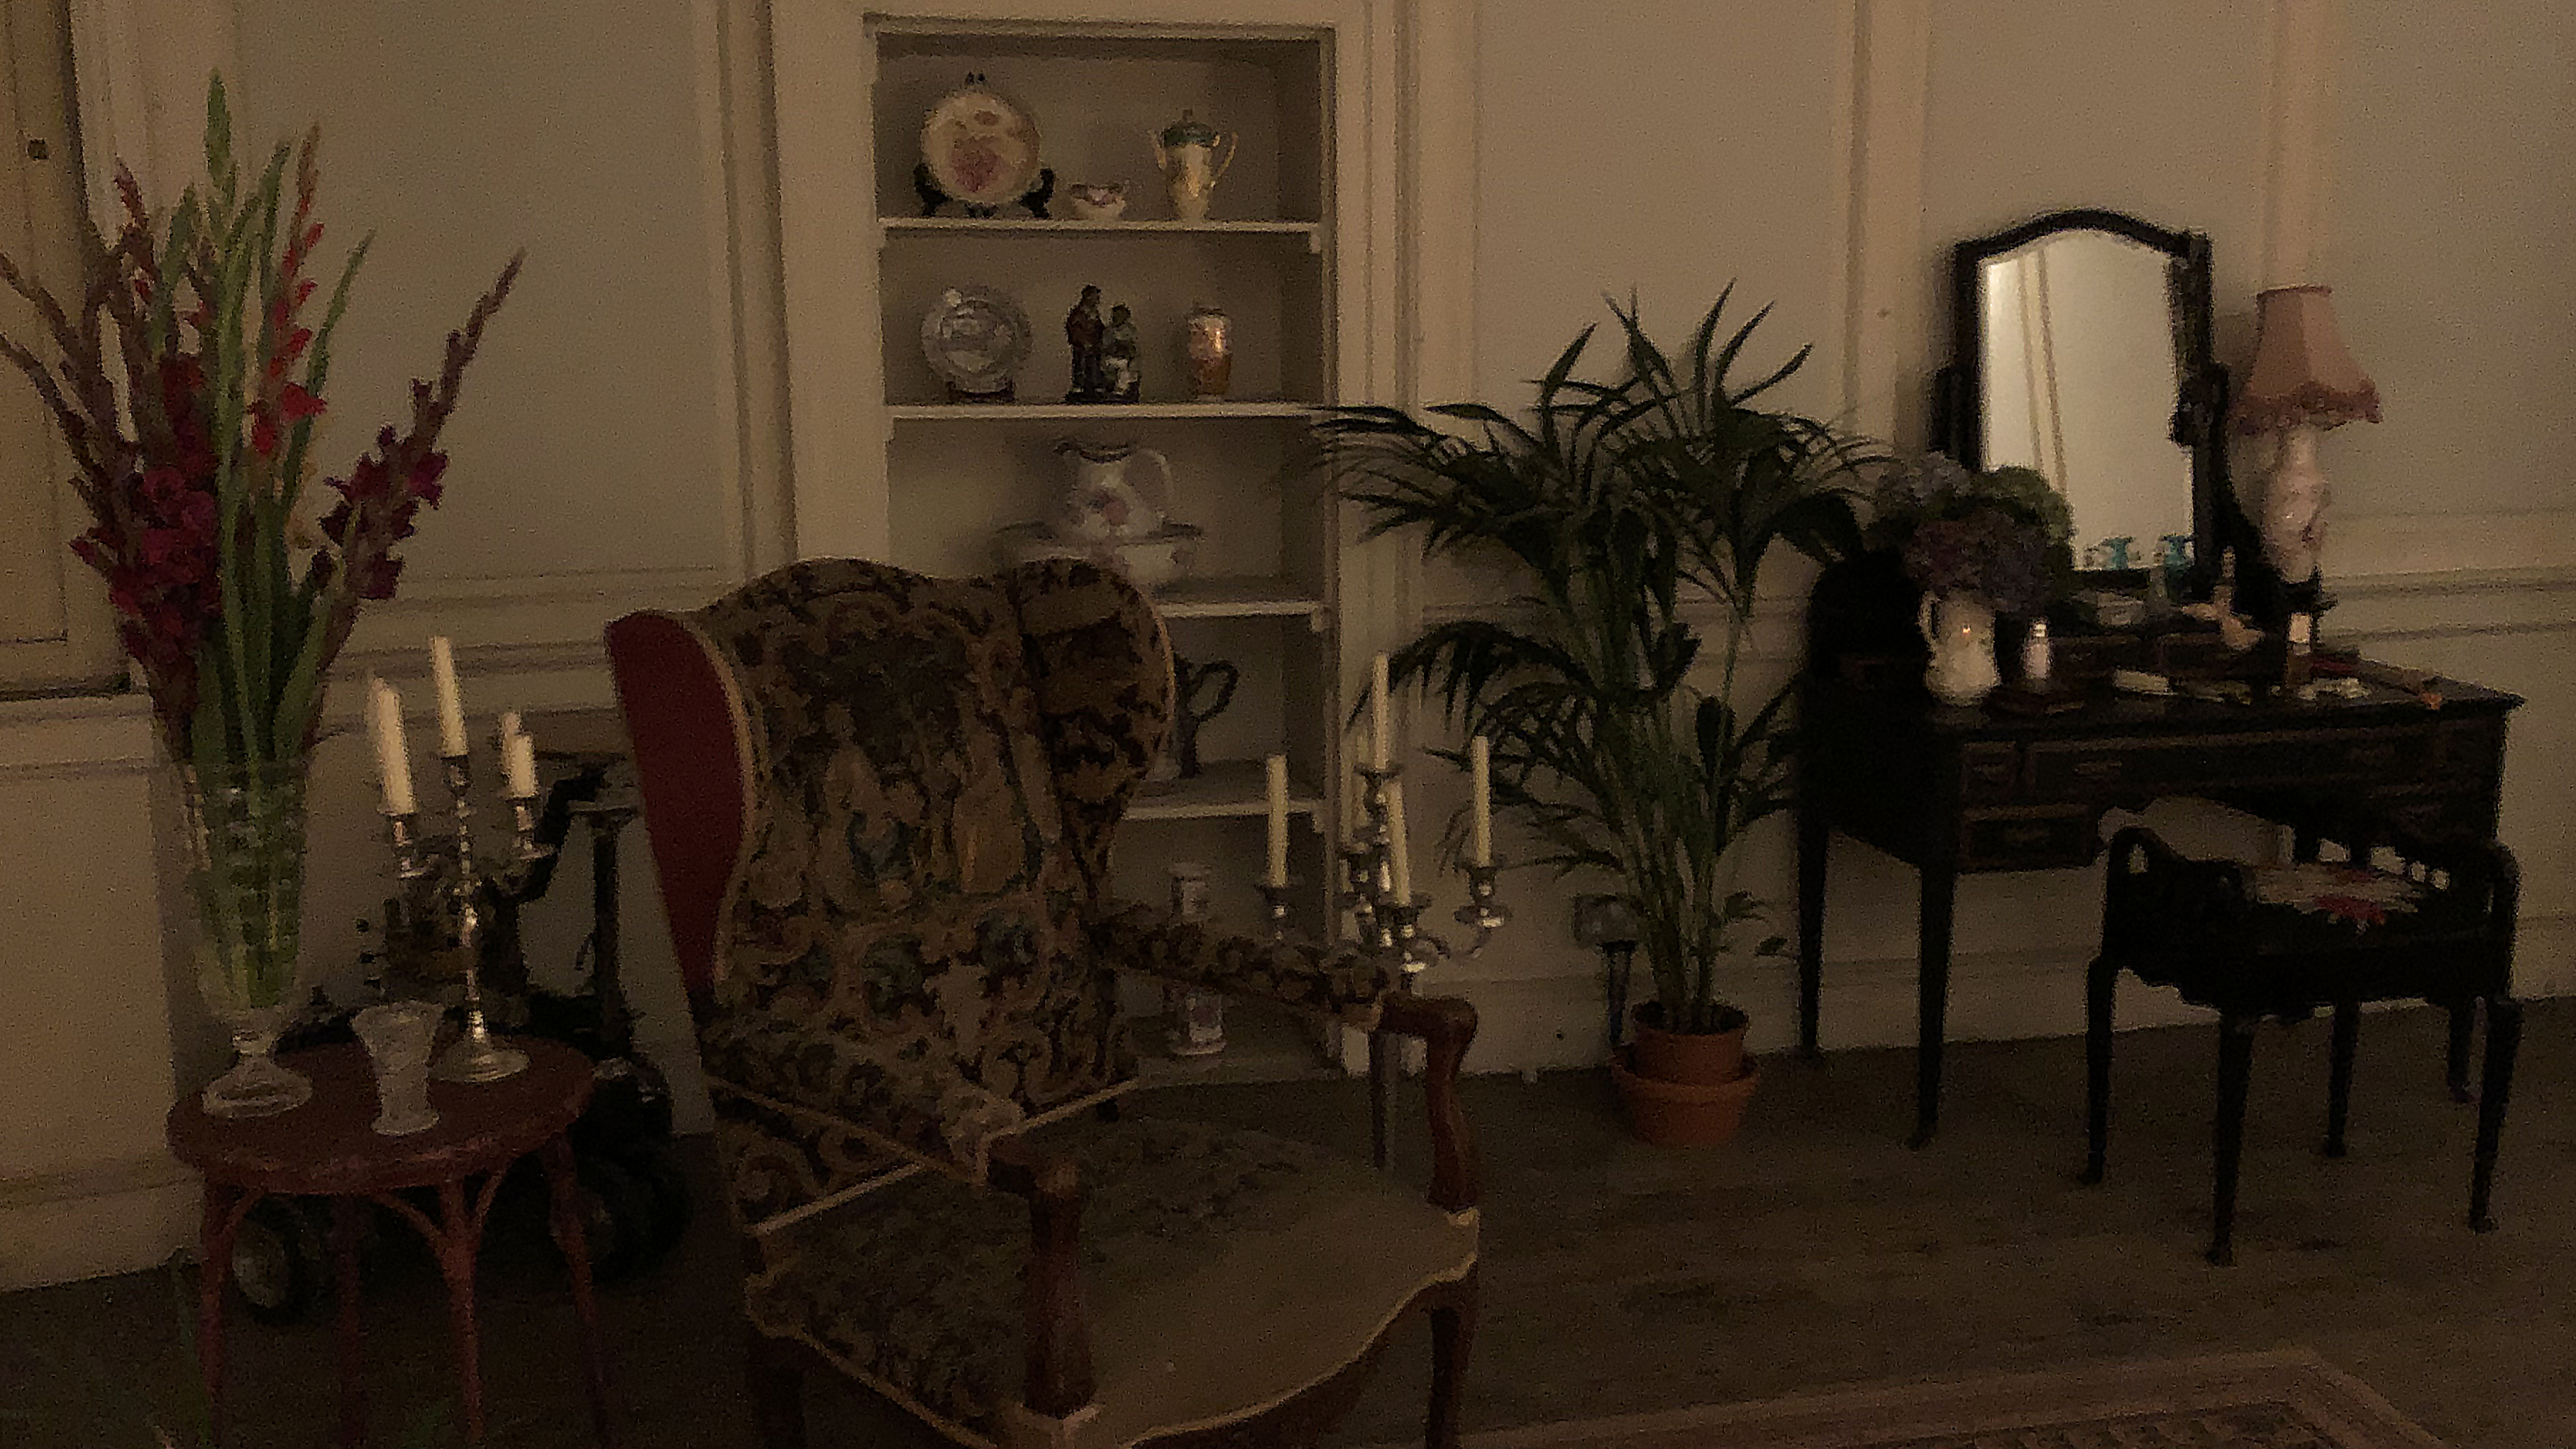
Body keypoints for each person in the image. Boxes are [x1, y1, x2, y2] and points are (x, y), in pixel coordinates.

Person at [1064, 285, 1106, 402]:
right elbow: (1074, 329)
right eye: (1095, 297)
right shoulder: (1078, 313)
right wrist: (1082, 341)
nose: (1097, 300)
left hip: (1094, 346)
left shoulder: (1094, 313)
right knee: (1081, 366)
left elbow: (1099, 328)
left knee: (1094, 367)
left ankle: (1093, 388)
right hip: (1082, 346)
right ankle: (1079, 389)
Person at [1102, 303, 1141, 402]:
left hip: (1127, 359)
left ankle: (1122, 392)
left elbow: (1134, 347)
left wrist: (1127, 348)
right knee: (1118, 367)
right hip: (1111, 358)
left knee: (1128, 369)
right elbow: (1105, 346)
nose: (1117, 318)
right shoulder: (1109, 331)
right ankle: (1117, 392)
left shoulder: (1130, 330)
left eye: (1120, 315)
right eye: (1115, 315)